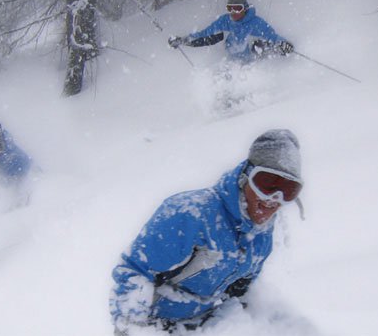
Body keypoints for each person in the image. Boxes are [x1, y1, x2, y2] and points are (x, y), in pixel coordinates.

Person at [109, 129, 304, 334]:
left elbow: (240, 293)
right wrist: (131, 329)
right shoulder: (190, 213)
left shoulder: (260, 238)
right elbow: (135, 271)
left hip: (204, 325)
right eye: (267, 184)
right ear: (245, 176)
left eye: (289, 190)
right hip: (155, 325)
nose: (274, 198)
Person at [168, 0, 295, 63]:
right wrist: (183, 40)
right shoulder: (225, 21)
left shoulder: (256, 23)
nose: (233, 12)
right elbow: (204, 35)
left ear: (244, 8)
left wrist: (284, 45)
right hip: (232, 64)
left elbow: (273, 37)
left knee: (258, 44)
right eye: (230, 8)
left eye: (237, 8)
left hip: (253, 65)